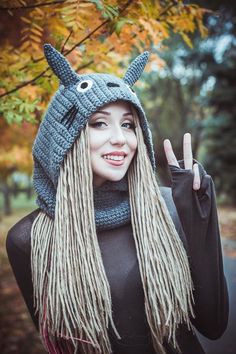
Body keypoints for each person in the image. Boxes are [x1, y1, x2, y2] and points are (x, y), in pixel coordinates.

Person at [6, 44, 229, 354]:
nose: (121, 138)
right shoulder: (27, 240)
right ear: (64, 138)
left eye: (128, 124)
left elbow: (214, 325)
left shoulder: (169, 207)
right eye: (99, 123)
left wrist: (199, 218)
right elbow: (58, 345)